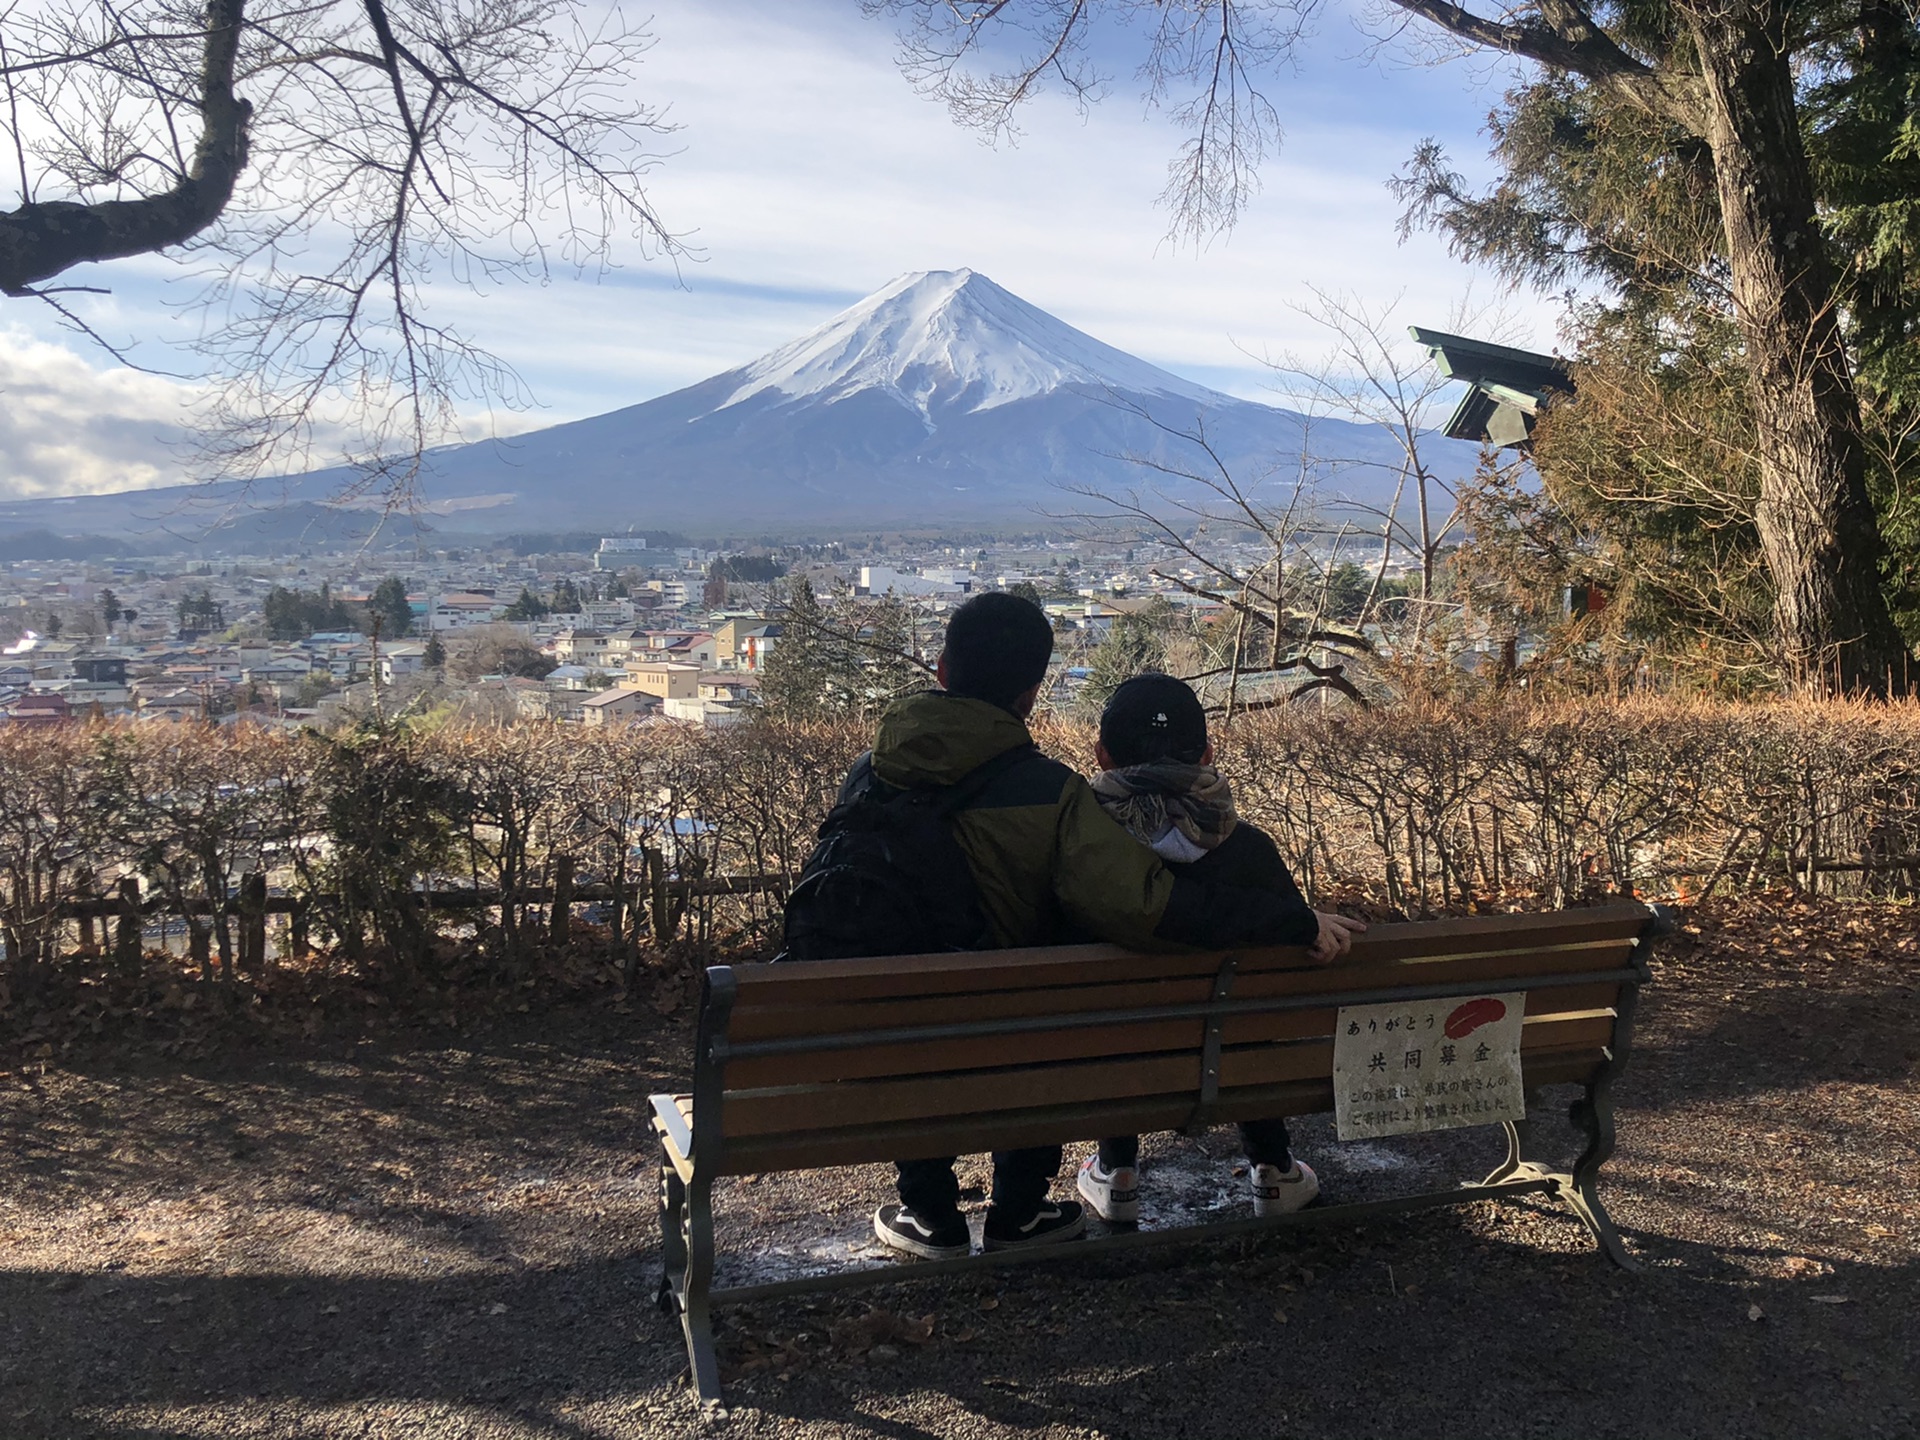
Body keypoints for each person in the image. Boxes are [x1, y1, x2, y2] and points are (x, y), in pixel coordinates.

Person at [847, 594, 1365, 1262]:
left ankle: (930, 1213)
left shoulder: (866, 773)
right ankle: (1019, 1212)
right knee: (1038, 1008)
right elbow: (1144, 909)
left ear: (942, 670)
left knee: (935, 1008)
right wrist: (1291, 920)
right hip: (1031, 1028)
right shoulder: (1047, 792)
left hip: (878, 1026)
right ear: (1033, 692)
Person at [1075, 673, 1359, 1224]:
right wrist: (1300, 921)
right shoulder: (1249, 849)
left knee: (1117, 1018)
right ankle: (1273, 1169)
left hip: (1109, 1055)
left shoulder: (1081, 850)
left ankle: (1118, 1169)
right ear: (1207, 753)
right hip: (1232, 1055)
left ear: (1101, 755)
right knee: (1241, 1024)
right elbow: (1291, 957)